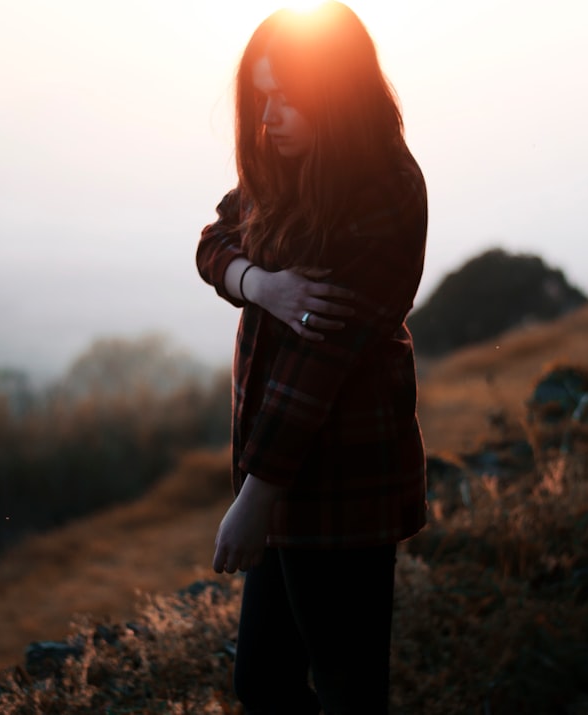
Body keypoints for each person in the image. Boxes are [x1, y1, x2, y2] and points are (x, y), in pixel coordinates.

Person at [195, 3, 427, 713]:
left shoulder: (382, 191)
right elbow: (212, 243)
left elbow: (314, 362)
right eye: (261, 98)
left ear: (337, 86)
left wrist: (251, 500)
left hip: (343, 481)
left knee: (347, 688)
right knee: (264, 682)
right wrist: (258, 282)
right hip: (288, 480)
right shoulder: (290, 166)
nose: (269, 118)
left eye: (287, 95)